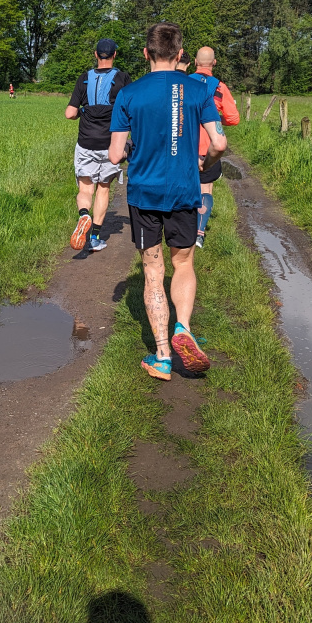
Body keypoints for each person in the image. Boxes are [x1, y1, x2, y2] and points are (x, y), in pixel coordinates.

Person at [108, 23, 226, 379]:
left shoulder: (128, 94)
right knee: (184, 263)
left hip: (145, 192)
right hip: (184, 190)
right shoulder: (198, 90)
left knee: (153, 270)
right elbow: (219, 143)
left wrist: (133, 149)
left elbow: (114, 155)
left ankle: (161, 356)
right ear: (180, 55)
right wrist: (204, 163)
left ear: (145, 54)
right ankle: (183, 329)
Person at [66, 38, 131, 253]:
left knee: (86, 188)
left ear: (96, 55)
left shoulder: (84, 78)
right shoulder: (122, 78)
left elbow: (70, 113)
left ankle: (84, 214)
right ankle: (94, 237)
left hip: (86, 143)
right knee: (103, 188)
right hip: (112, 144)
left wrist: (83, 112)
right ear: (115, 55)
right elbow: (131, 110)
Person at [190, 46, 240, 249]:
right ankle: (199, 234)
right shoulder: (220, 88)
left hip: (183, 146)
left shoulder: (184, 83)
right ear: (214, 63)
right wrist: (214, 120)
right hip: (208, 147)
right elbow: (233, 118)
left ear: (194, 62)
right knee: (206, 189)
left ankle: (179, 227)